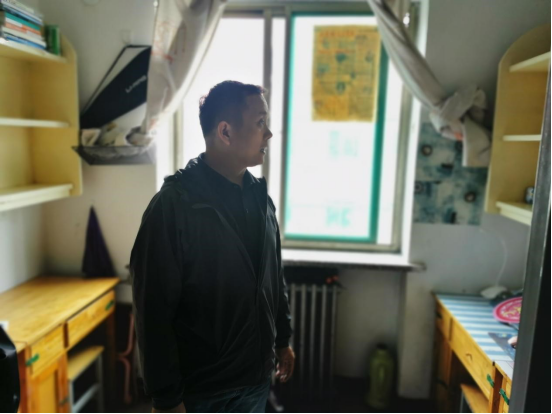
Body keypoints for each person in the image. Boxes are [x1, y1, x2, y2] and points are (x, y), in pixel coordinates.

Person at [131, 81, 295, 414]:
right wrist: (166, 398)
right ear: (225, 131)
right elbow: (153, 310)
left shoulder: (260, 199)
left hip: (254, 380)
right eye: (260, 122)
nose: (269, 134)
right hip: (200, 390)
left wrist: (282, 339)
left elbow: (272, 278)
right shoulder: (174, 206)